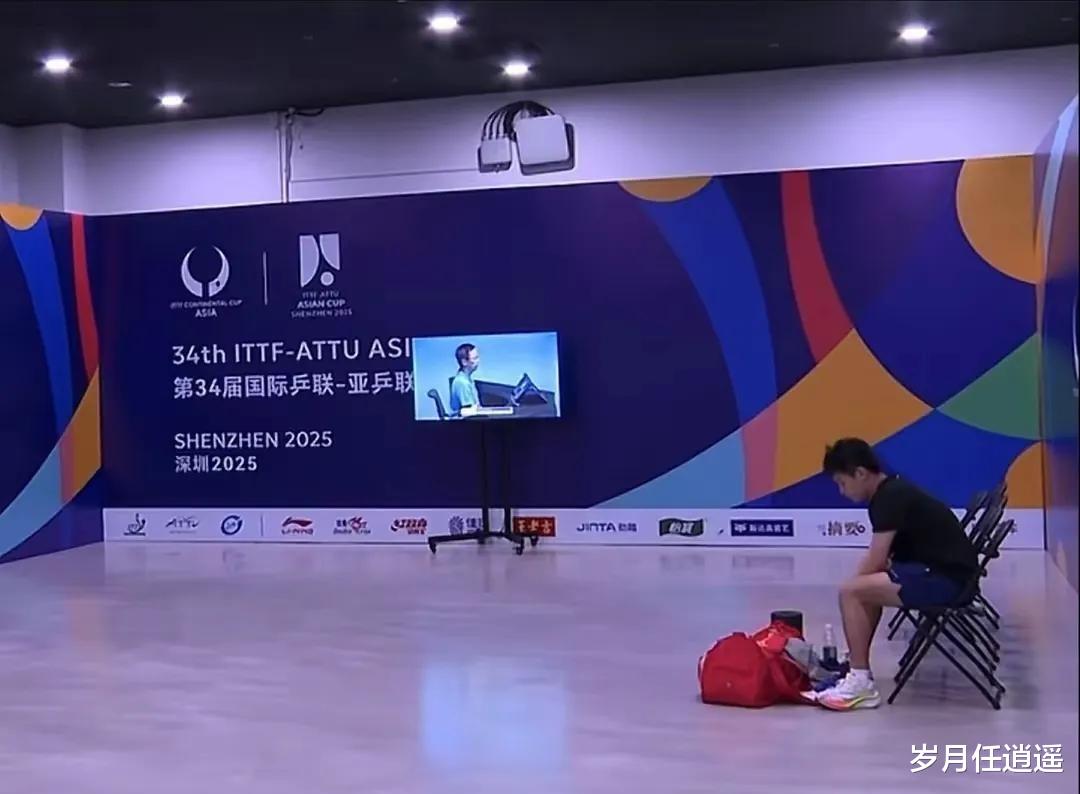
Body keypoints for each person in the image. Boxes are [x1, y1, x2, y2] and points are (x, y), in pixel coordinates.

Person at [813, 438, 978, 711]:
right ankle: (857, 665)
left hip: (947, 582)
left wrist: (852, 587)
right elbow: (883, 561)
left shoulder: (889, 498)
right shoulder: (892, 491)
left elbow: (877, 560)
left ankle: (860, 682)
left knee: (852, 592)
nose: (842, 492)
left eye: (842, 483)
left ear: (860, 473)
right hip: (945, 574)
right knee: (863, 591)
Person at [449, 343, 480, 416]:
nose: (478, 361)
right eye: (475, 358)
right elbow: (469, 413)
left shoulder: (466, 379)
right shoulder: (462, 383)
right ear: (464, 362)